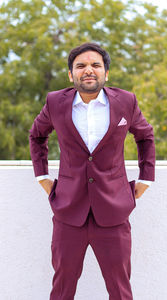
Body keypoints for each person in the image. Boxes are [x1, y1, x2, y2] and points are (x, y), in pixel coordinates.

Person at [29, 42, 155, 300]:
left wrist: (146, 177)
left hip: (113, 211)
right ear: (71, 74)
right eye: (81, 66)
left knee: (120, 290)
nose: (89, 70)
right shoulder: (55, 102)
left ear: (106, 73)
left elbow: (145, 136)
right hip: (68, 212)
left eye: (96, 65)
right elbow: (37, 135)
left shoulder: (126, 102)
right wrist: (42, 176)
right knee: (62, 289)